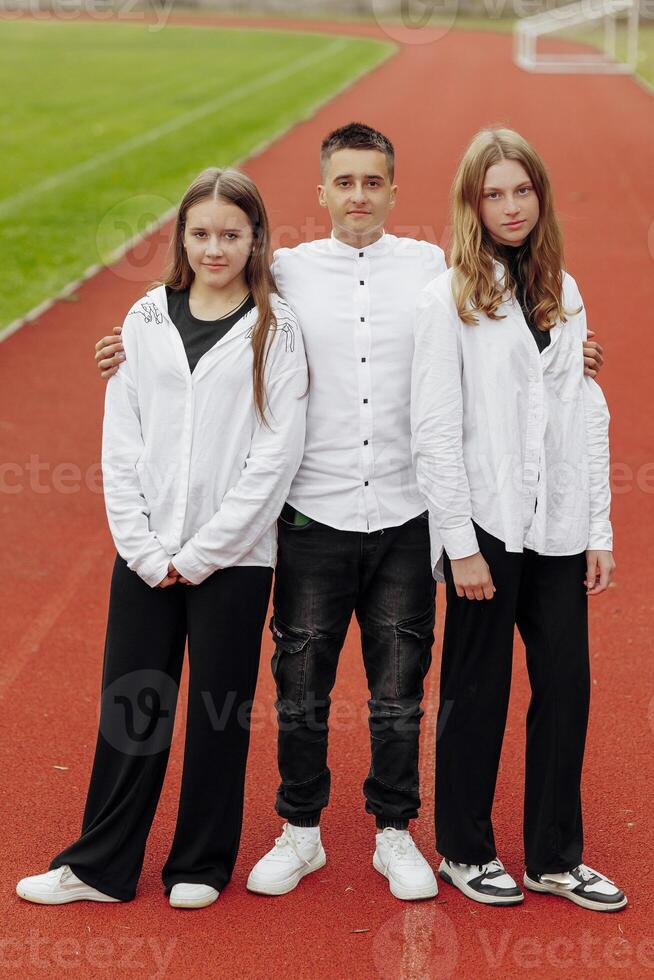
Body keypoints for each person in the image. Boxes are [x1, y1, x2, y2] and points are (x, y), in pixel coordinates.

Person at [93, 123, 604, 903]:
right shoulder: (287, 274)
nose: (359, 196)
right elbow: (207, 305)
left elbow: (509, 347)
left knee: (399, 687)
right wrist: (130, 346)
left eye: (373, 182)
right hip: (310, 511)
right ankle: (300, 832)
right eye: (344, 182)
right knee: (299, 684)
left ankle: (394, 834)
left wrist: (579, 349)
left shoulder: (437, 272)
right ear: (322, 190)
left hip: (405, 511)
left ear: (394, 191)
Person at [16, 168, 308, 909]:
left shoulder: (277, 329)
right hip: (145, 558)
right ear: (182, 238)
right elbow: (123, 441)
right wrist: (145, 549)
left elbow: (275, 457)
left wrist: (203, 553)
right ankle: (100, 867)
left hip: (234, 561)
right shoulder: (145, 319)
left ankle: (200, 865)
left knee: (218, 714)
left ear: (254, 240)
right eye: (201, 233)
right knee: (132, 709)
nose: (215, 248)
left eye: (230, 235)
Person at [411, 128, 627, 911]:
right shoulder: (449, 298)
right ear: (473, 203)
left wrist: (596, 527)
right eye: (494, 193)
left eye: (522, 190)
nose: (510, 206)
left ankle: (553, 859)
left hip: (557, 527)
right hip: (487, 529)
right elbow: (433, 430)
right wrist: (460, 545)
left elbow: (582, 412)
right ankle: (464, 850)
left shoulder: (561, 290)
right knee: (479, 687)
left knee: (566, 685)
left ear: (541, 196)